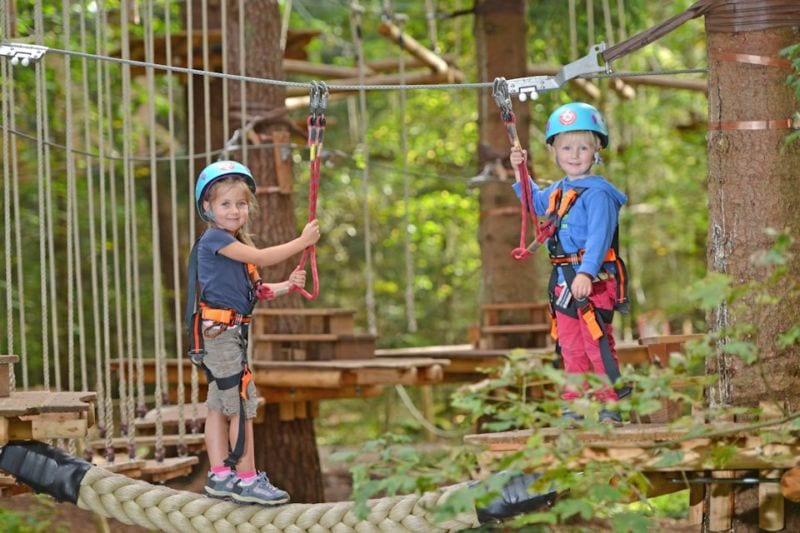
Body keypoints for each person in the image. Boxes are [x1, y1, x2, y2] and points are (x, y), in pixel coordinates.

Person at [186, 160, 321, 504]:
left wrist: (286, 286)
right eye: (225, 204)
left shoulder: (232, 244)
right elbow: (264, 255)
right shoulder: (215, 239)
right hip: (221, 334)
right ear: (208, 207)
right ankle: (245, 478)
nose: (234, 211)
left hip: (222, 332)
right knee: (242, 403)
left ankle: (219, 475)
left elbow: (255, 291)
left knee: (219, 405)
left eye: (240, 204)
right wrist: (302, 241)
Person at [509, 102, 630, 424]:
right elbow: (534, 205)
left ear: (596, 151)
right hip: (564, 281)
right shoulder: (557, 192)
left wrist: (587, 272)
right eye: (566, 147)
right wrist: (519, 171)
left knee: (596, 343)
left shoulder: (598, 193)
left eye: (583, 147)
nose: (574, 155)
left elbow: (599, 236)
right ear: (554, 151)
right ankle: (574, 406)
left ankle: (610, 405)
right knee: (570, 347)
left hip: (593, 280)